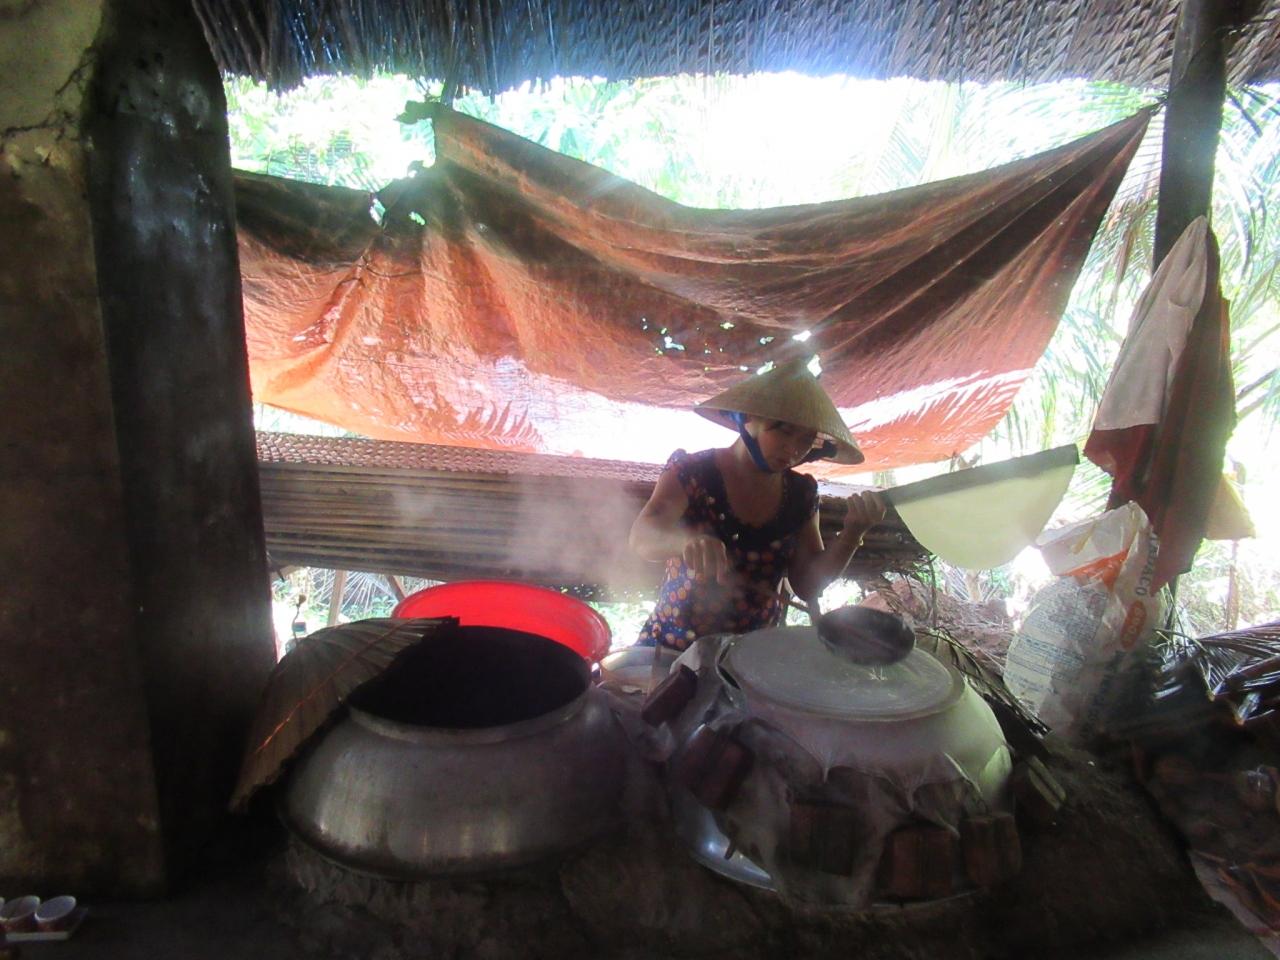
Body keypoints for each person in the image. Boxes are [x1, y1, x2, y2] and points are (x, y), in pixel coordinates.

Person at [629, 357, 887, 650]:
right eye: (784, 430)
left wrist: (852, 534)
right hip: (672, 646)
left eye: (807, 439)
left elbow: (807, 586)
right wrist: (685, 541)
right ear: (748, 417)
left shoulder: (801, 494)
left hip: (754, 655)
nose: (794, 448)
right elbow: (641, 537)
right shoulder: (692, 472)